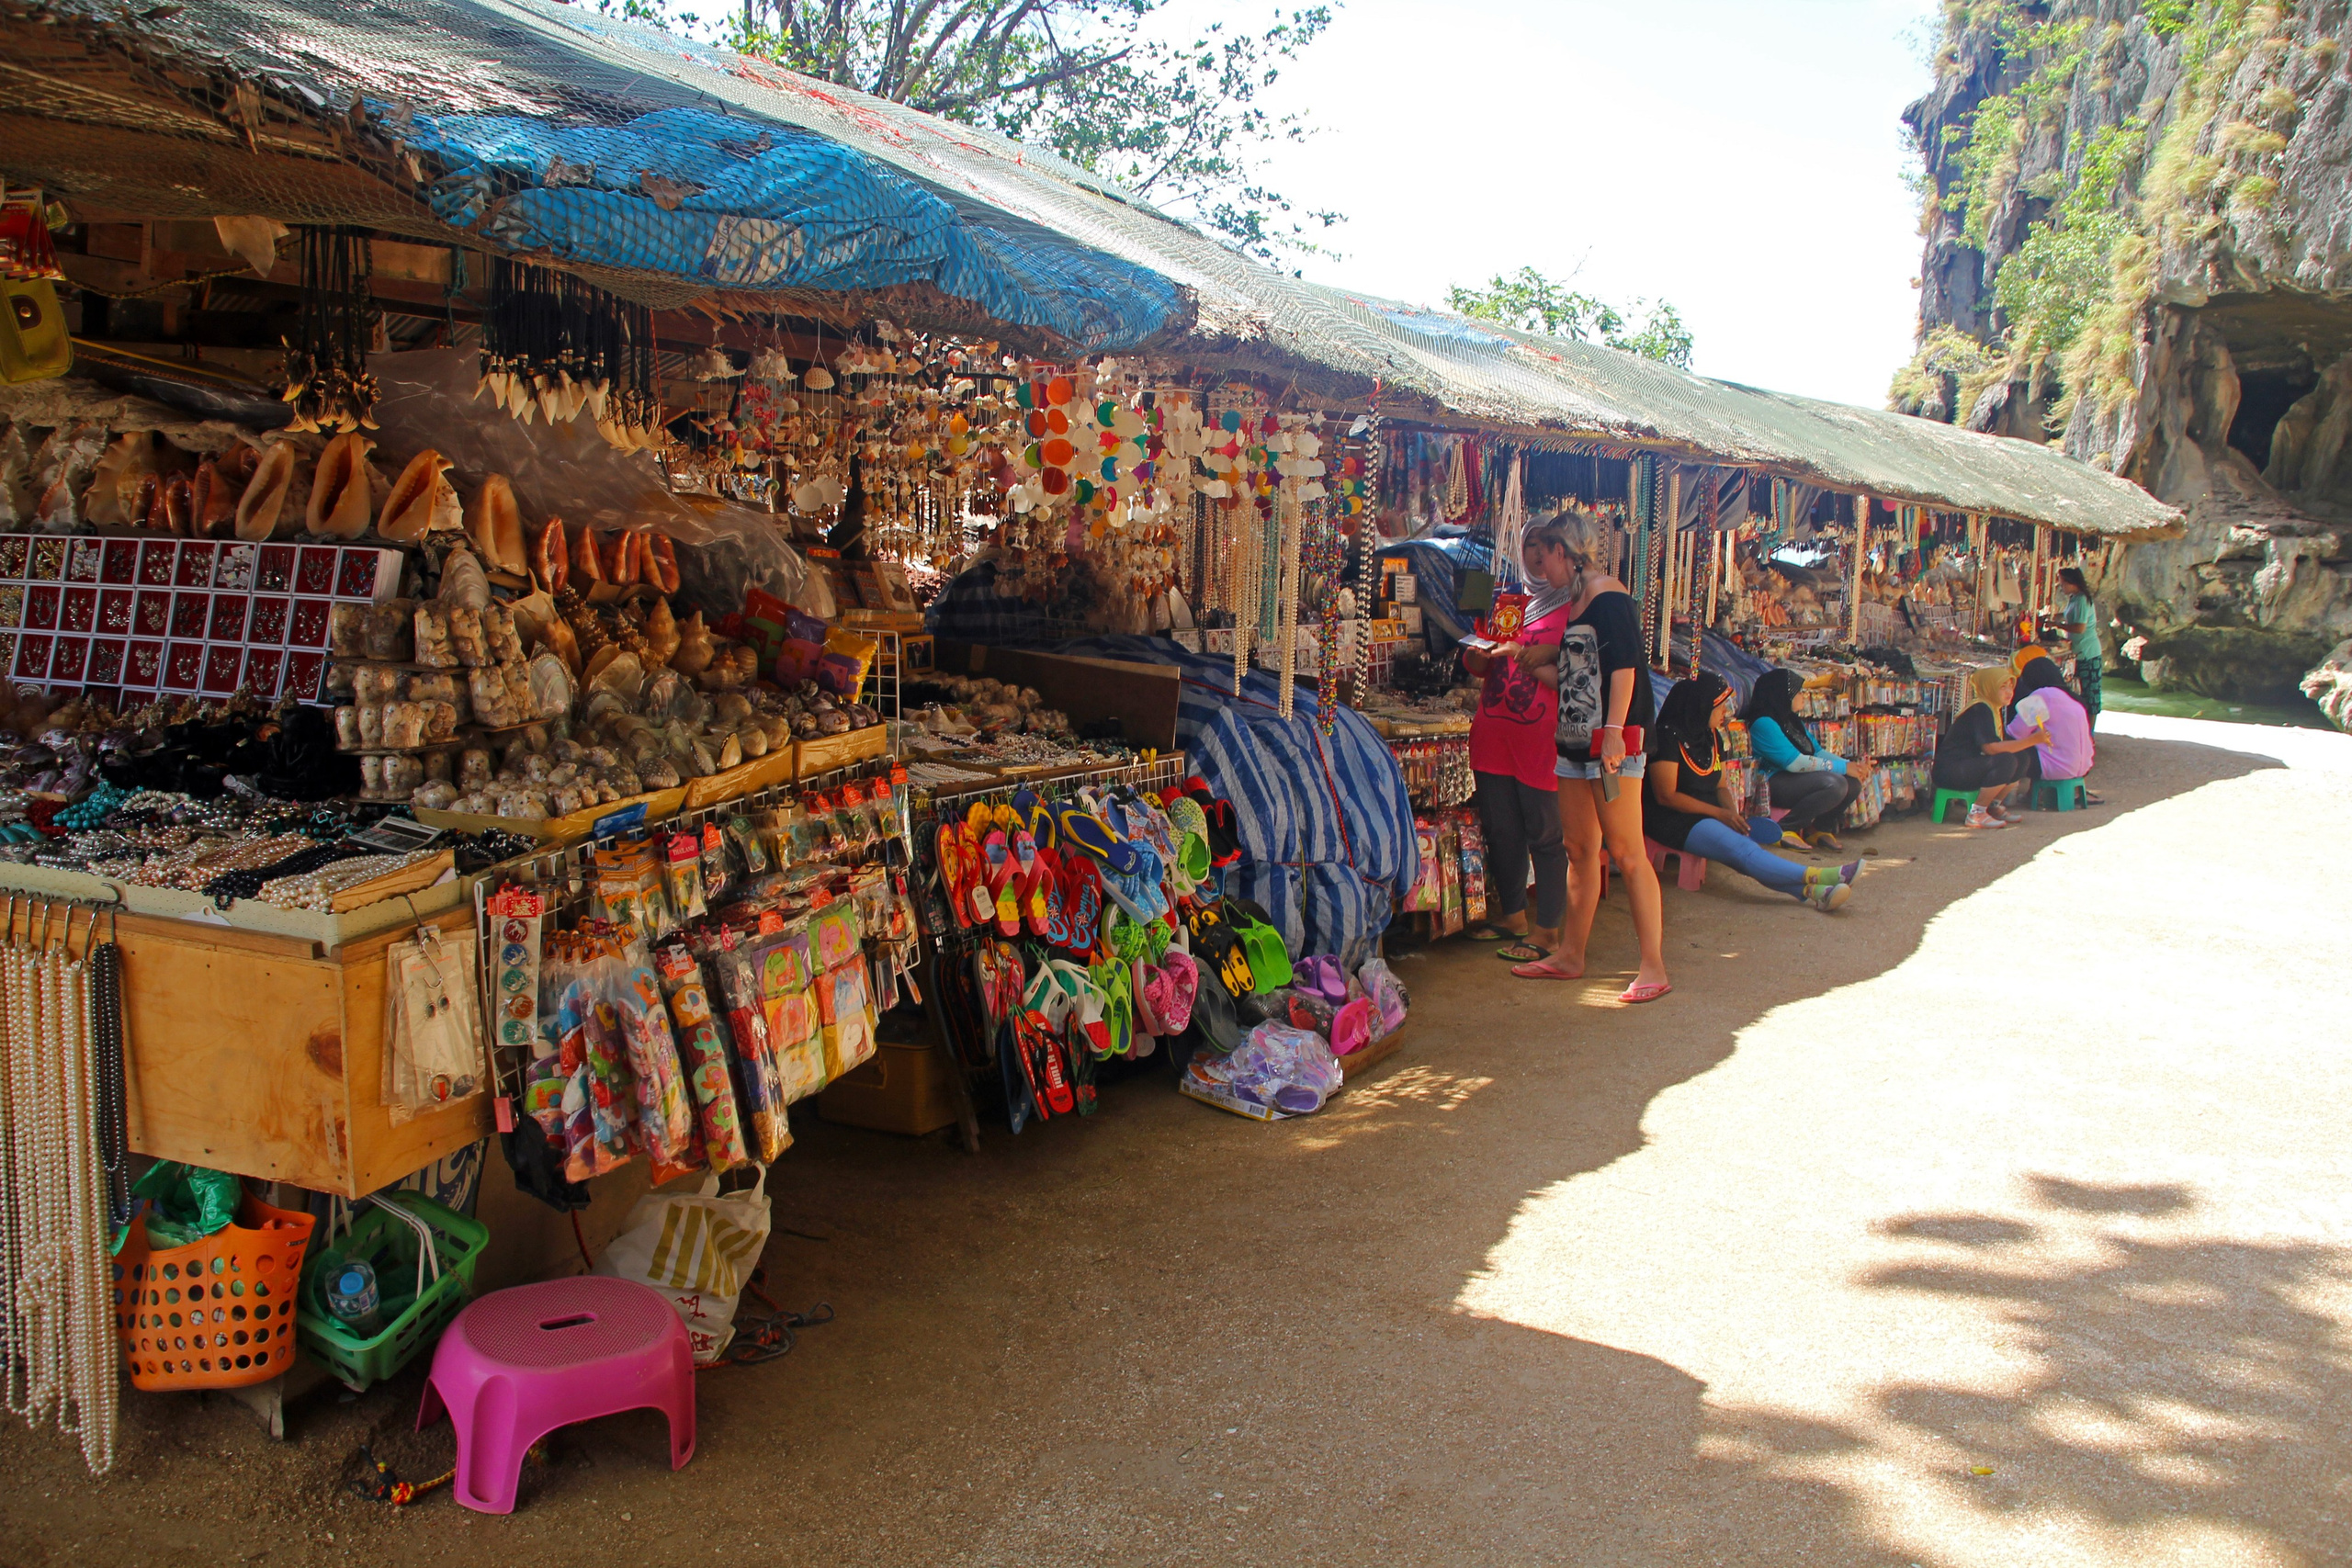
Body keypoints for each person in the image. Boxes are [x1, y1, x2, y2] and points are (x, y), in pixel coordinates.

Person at [1505, 508, 1669, 1002]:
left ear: (1563, 551)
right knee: (1579, 851)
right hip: (1575, 745)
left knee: (1626, 851)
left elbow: (1624, 668)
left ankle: (1653, 966)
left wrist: (1616, 731)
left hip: (1610, 747)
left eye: (1544, 555)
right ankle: (1571, 954)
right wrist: (1527, 661)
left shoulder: (1608, 594)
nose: (1540, 566)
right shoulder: (1576, 602)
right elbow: (1579, 681)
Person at [1462, 520, 1578, 964]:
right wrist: (1476, 656)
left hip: (1542, 738)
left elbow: (1577, 671)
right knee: (1502, 829)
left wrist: (1527, 657)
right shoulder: (1509, 601)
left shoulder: (1575, 604)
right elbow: (1481, 659)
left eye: (1544, 546)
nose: (1536, 554)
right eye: (1529, 544)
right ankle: (1513, 915)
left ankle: (1548, 929)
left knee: (1546, 835)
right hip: (1494, 733)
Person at [1645, 674, 1858, 911]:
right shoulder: (1667, 737)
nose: (1725, 712)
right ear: (1703, 705)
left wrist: (1730, 813)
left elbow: (1721, 786)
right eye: (1721, 705)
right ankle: (1820, 876)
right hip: (1674, 819)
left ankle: (1813, 892)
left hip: (1709, 813)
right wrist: (1719, 814)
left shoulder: (1712, 736)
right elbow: (1666, 796)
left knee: (1745, 851)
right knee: (1743, 851)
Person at [1739, 669, 1871, 852]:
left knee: (1853, 783)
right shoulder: (1763, 722)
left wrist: (1852, 767)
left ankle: (1819, 829)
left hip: (1794, 779)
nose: (1803, 697)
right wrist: (1843, 767)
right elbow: (1795, 763)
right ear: (1783, 694)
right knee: (1835, 784)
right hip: (1772, 781)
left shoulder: (1791, 720)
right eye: (1799, 692)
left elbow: (1816, 751)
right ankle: (1785, 828)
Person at [1933, 666, 2050, 829]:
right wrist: (2032, 740)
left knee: (2021, 758)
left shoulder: (1993, 709)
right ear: (1990, 687)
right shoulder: (1980, 708)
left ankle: (1992, 806)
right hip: (1951, 770)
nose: (2009, 691)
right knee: (2005, 761)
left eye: (2010, 686)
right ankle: (1976, 813)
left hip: (1967, 766)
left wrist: (2032, 741)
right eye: (2003, 687)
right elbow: (1991, 749)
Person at [2012, 655, 2098, 798]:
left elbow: (2016, 733)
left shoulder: (2042, 695)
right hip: (2083, 766)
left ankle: (2000, 798)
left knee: (2010, 749)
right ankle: (2033, 793)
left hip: (2055, 767)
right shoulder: (2072, 698)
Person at [2055, 566, 2104, 727]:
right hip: (2079, 650)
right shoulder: (2074, 598)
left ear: (2072, 582)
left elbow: (2080, 627)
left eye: (2063, 583)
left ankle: (2089, 733)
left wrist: (2058, 626)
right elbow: (2069, 615)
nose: (2061, 587)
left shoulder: (2082, 599)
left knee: (2090, 694)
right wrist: (2052, 618)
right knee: (2081, 691)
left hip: (2087, 651)